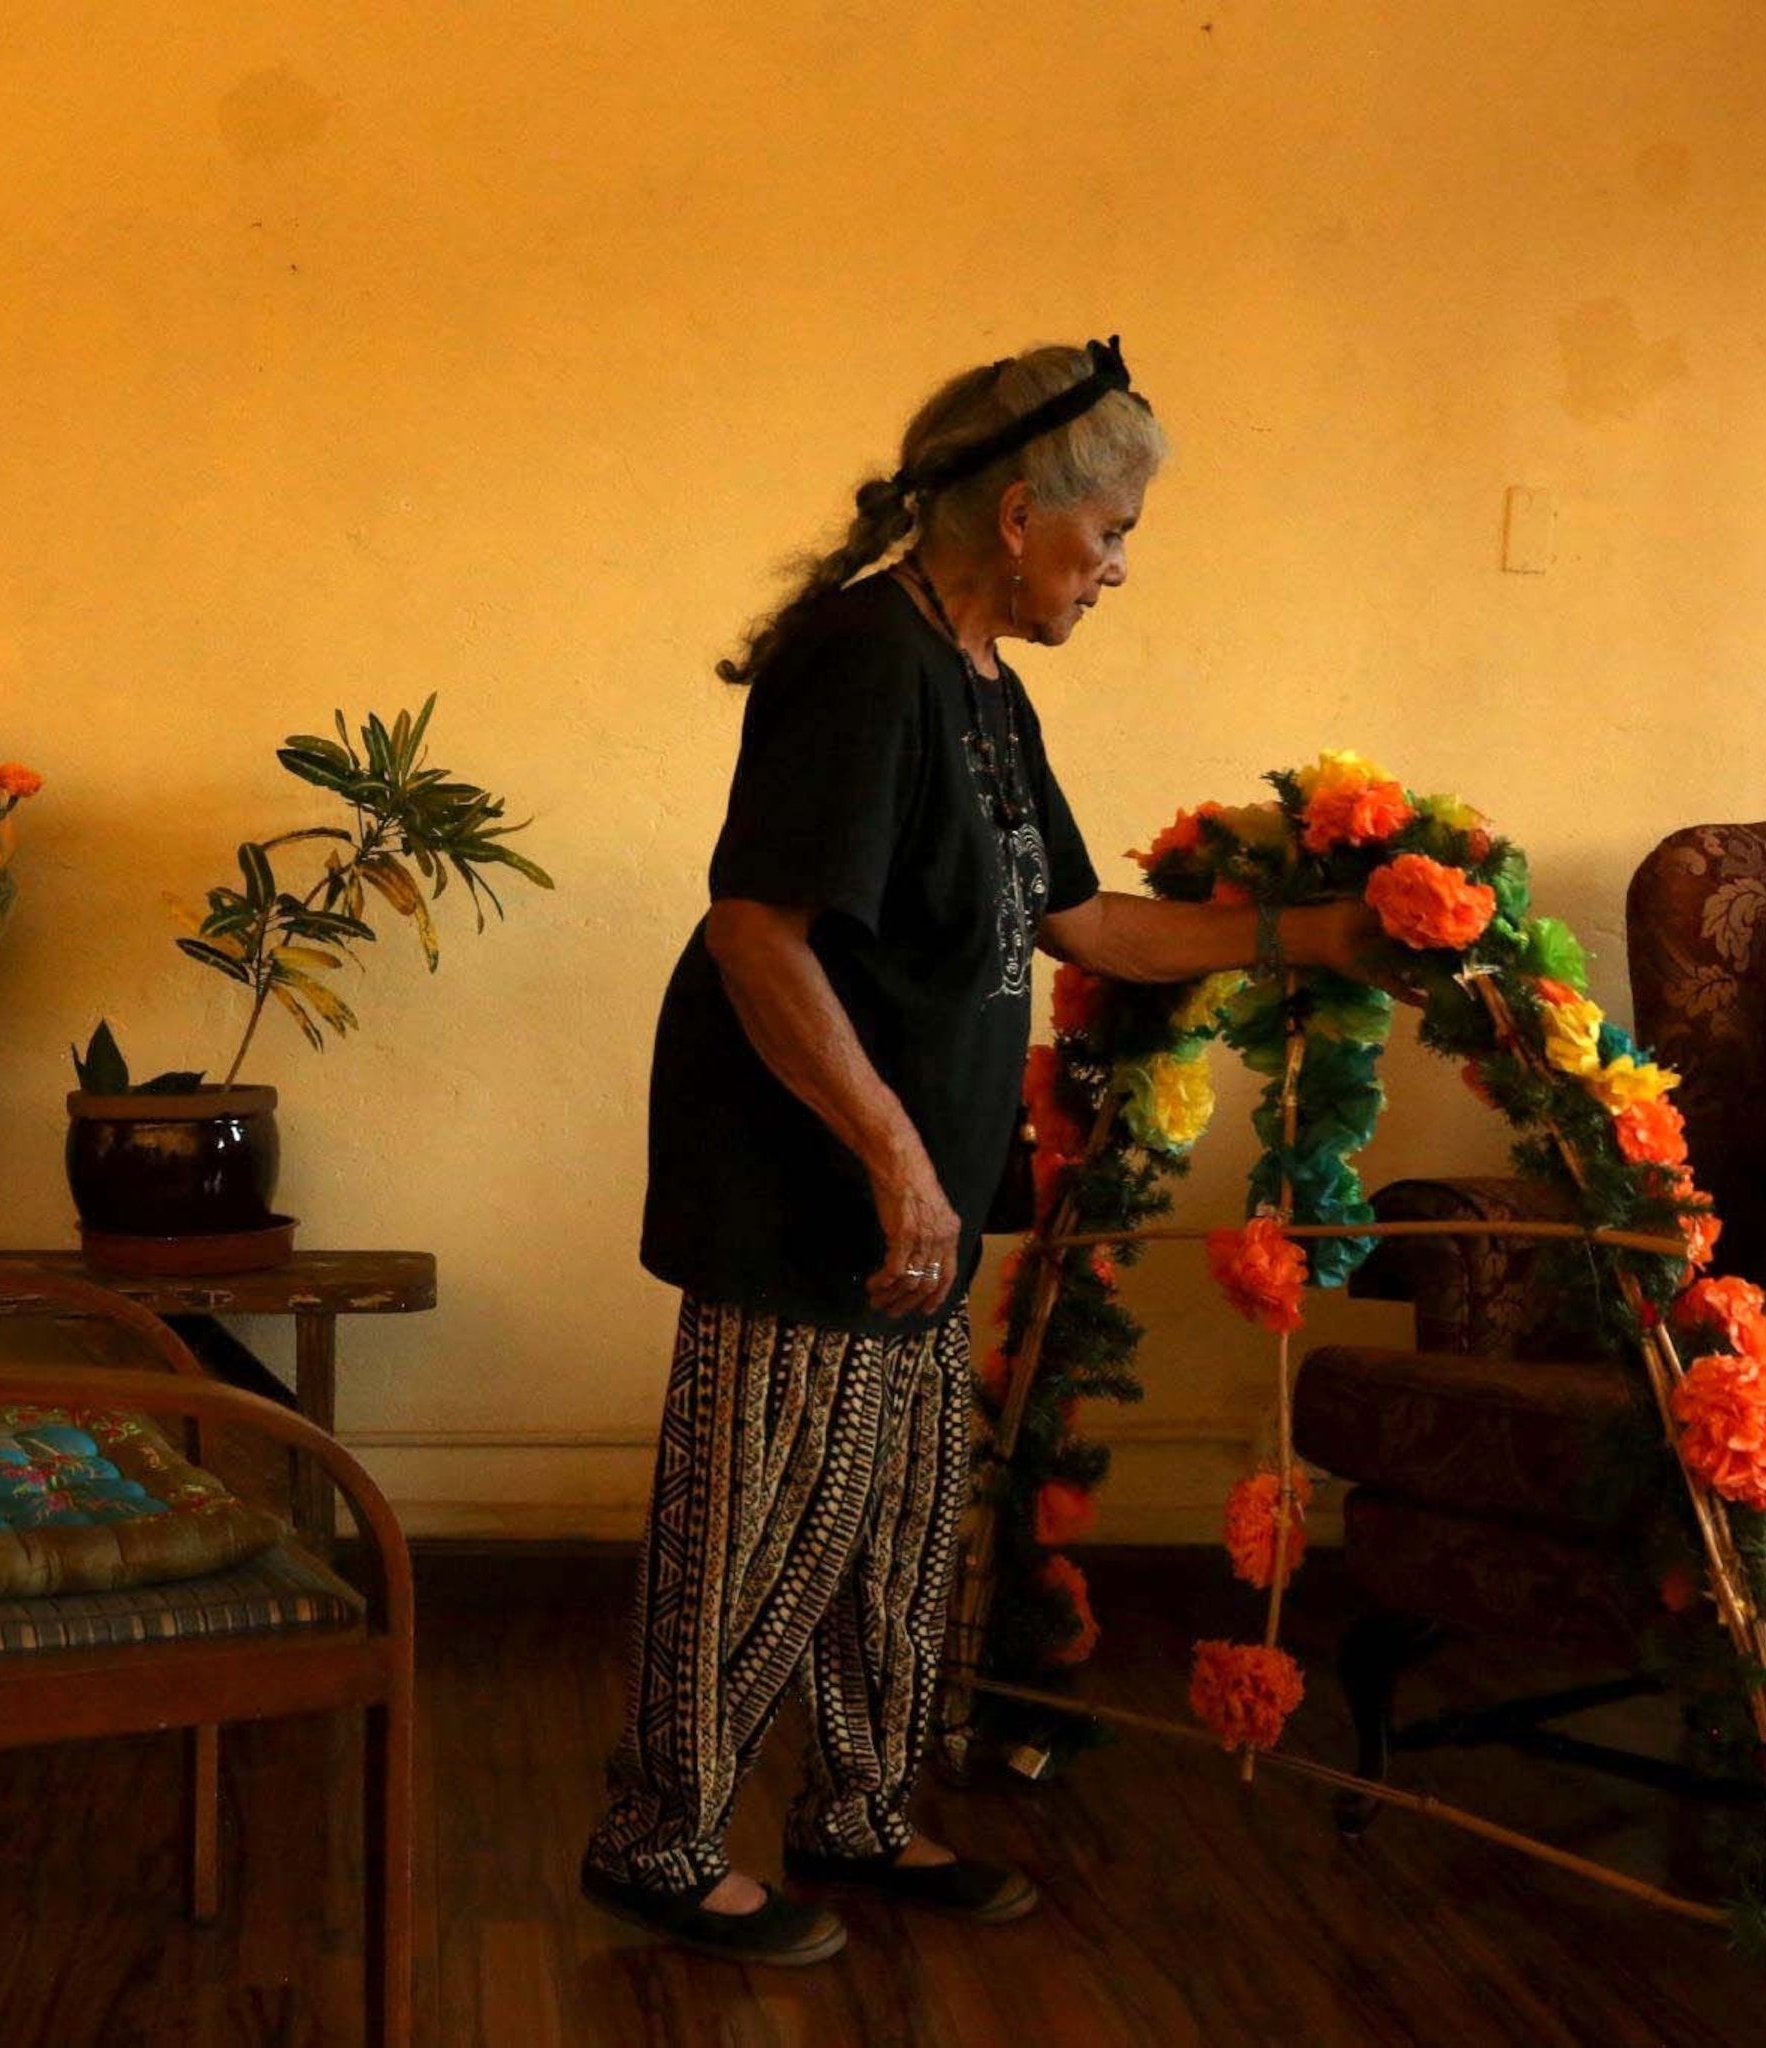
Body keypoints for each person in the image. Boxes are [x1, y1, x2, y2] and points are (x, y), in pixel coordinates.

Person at [582, 339, 1386, 1964]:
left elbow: (1087, 922)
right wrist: (894, 1161)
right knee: (765, 1526)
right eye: (1112, 537)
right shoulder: (864, 660)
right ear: (1021, 516)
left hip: (921, 1196)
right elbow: (756, 935)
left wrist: (1326, 935)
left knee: (895, 1529)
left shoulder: (983, 687)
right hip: (811, 1187)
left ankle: (860, 1816)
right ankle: (659, 1845)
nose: (1118, 573)